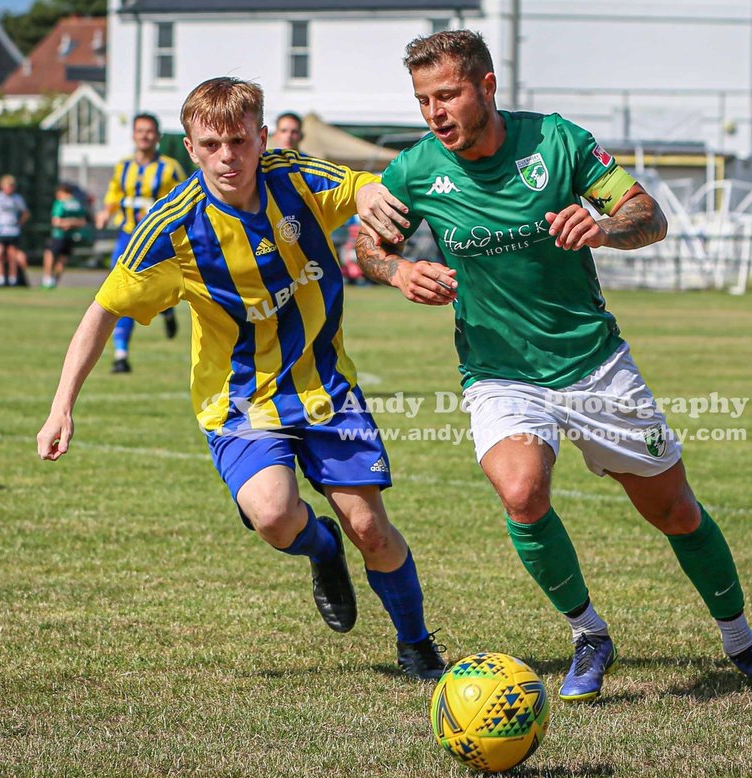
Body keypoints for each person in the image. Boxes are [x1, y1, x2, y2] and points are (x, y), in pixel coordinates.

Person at [354, 30, 752, 701]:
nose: (434, 113)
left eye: (447, 95)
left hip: (593, 363)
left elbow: (645, 214)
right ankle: (589, 635)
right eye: (424, 100)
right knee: (521, 492)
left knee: (674, 511)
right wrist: (395, 270)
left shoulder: (557, 142)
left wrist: (603, 227)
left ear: (486, 88)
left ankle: (744, 642)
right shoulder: (416, 169)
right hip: (498, 371)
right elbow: (367, 242)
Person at [36, 76, 446, 681]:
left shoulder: (296, 178)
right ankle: (322, 550)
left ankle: (415, 645)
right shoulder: (171, 229)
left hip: (326, 388)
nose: (228, 156)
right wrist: (61, 405)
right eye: (212, 144)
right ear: (191, 149)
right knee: (277, 517)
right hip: (240, 402)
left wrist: (369, 200)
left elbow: (363, 187)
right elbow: (101, 312)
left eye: (239, 140)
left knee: (371, 528)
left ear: (259, 135)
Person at [96, 113, 187, 372]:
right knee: (119, 294)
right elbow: (114, 195)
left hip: (157, 241)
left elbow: (183, 197)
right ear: (133, 135)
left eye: (149, 131)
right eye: (140, 131)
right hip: (127, 237)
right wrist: (106, 213)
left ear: (157, 137)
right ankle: (121, 355)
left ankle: (166, 311)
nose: (144, 136)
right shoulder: (123, 167)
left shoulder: (169, 168)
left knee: (155, 291)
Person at [0, 174, 30, 287]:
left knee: (12, 256)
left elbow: (26, 212)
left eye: (11, 186)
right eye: (7, 185)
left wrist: (19, 223)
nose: (9, 188)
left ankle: (12, 279)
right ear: (2, 186)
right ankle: (0, 279)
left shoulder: (17, 198)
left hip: (12, 231)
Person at [42, 183, 87, 289]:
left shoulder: (60, 203)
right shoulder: (77, 204)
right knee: (62, 259)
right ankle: (55, 282)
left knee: (49, 254)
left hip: (59, 235)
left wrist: (65, 223)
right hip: (71, 236)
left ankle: (47, 280)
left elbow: (55, 222)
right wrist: (72, 223)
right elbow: (82, 222)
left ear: (63, 192)